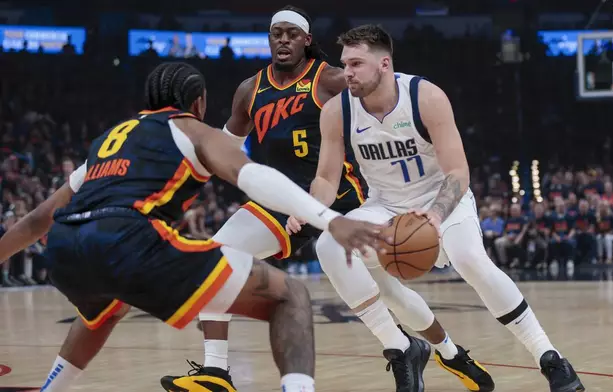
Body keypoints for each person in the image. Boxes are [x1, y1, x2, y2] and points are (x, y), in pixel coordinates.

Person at [0, 62, 387, 392]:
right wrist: (330, 219)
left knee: (103, 313)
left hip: (67, 248)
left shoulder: (107, 142)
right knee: (292, 297)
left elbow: (38, 219)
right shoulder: (191, 129)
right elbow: (252, 177)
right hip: (128, 239)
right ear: (198, 103)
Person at [162, 6, 493, 392]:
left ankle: (450, 353)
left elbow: (384, 103)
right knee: (215, 256)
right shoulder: (249, 90)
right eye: (275, 33)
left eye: (290, 33)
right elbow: (227, 144)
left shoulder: (332, 80)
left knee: (390, 291)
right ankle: (217, 371)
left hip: (341, 200)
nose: (282, 40)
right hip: (281, 201)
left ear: (305, 40)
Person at [290, 24, 585, 392]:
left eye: (356, 63)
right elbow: (327, 179)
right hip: (385, 207)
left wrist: (437, 214)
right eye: (345, 63)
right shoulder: (336, 111)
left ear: (384, 64)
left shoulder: (425, 96)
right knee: (329, 246)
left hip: (443, 197)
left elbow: (458, 171)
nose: (346, 71)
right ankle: (400, 348)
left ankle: (551, 358)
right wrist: (305, 206)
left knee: (470, 259)